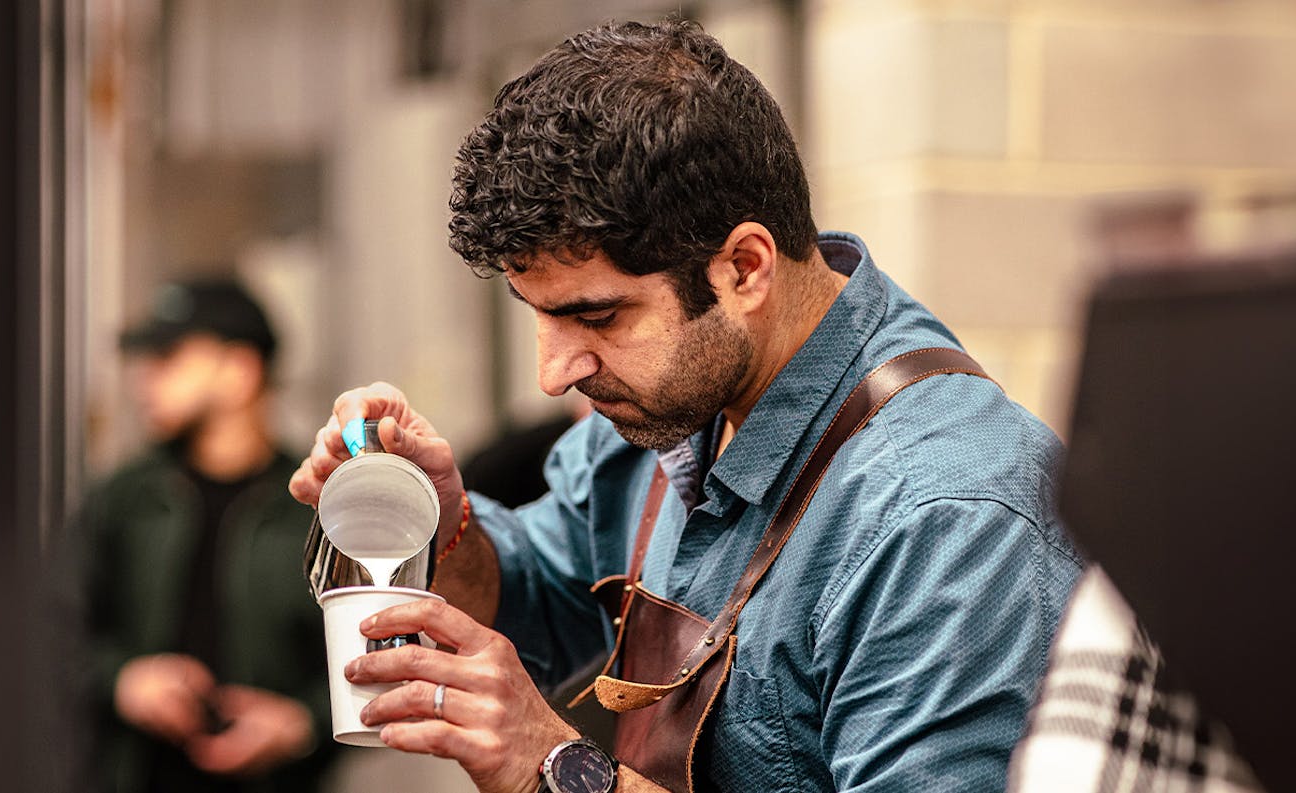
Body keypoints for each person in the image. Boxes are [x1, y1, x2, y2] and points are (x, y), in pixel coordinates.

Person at [289, 20, 1082, 793]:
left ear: (744, 268)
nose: (554, 373)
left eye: (596, 316)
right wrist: (445, 520)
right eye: (539, 314)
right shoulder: (668, 406)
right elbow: (537, 599)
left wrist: (556, 768)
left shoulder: (947, 517)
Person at [81, 278, 332, 793]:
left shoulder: (314, 507)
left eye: (169, 357)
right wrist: (123, 681)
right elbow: (51, 633)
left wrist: (301, 726)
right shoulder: (125, 499)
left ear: (240, 371)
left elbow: (373, 664)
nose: (144, 380)